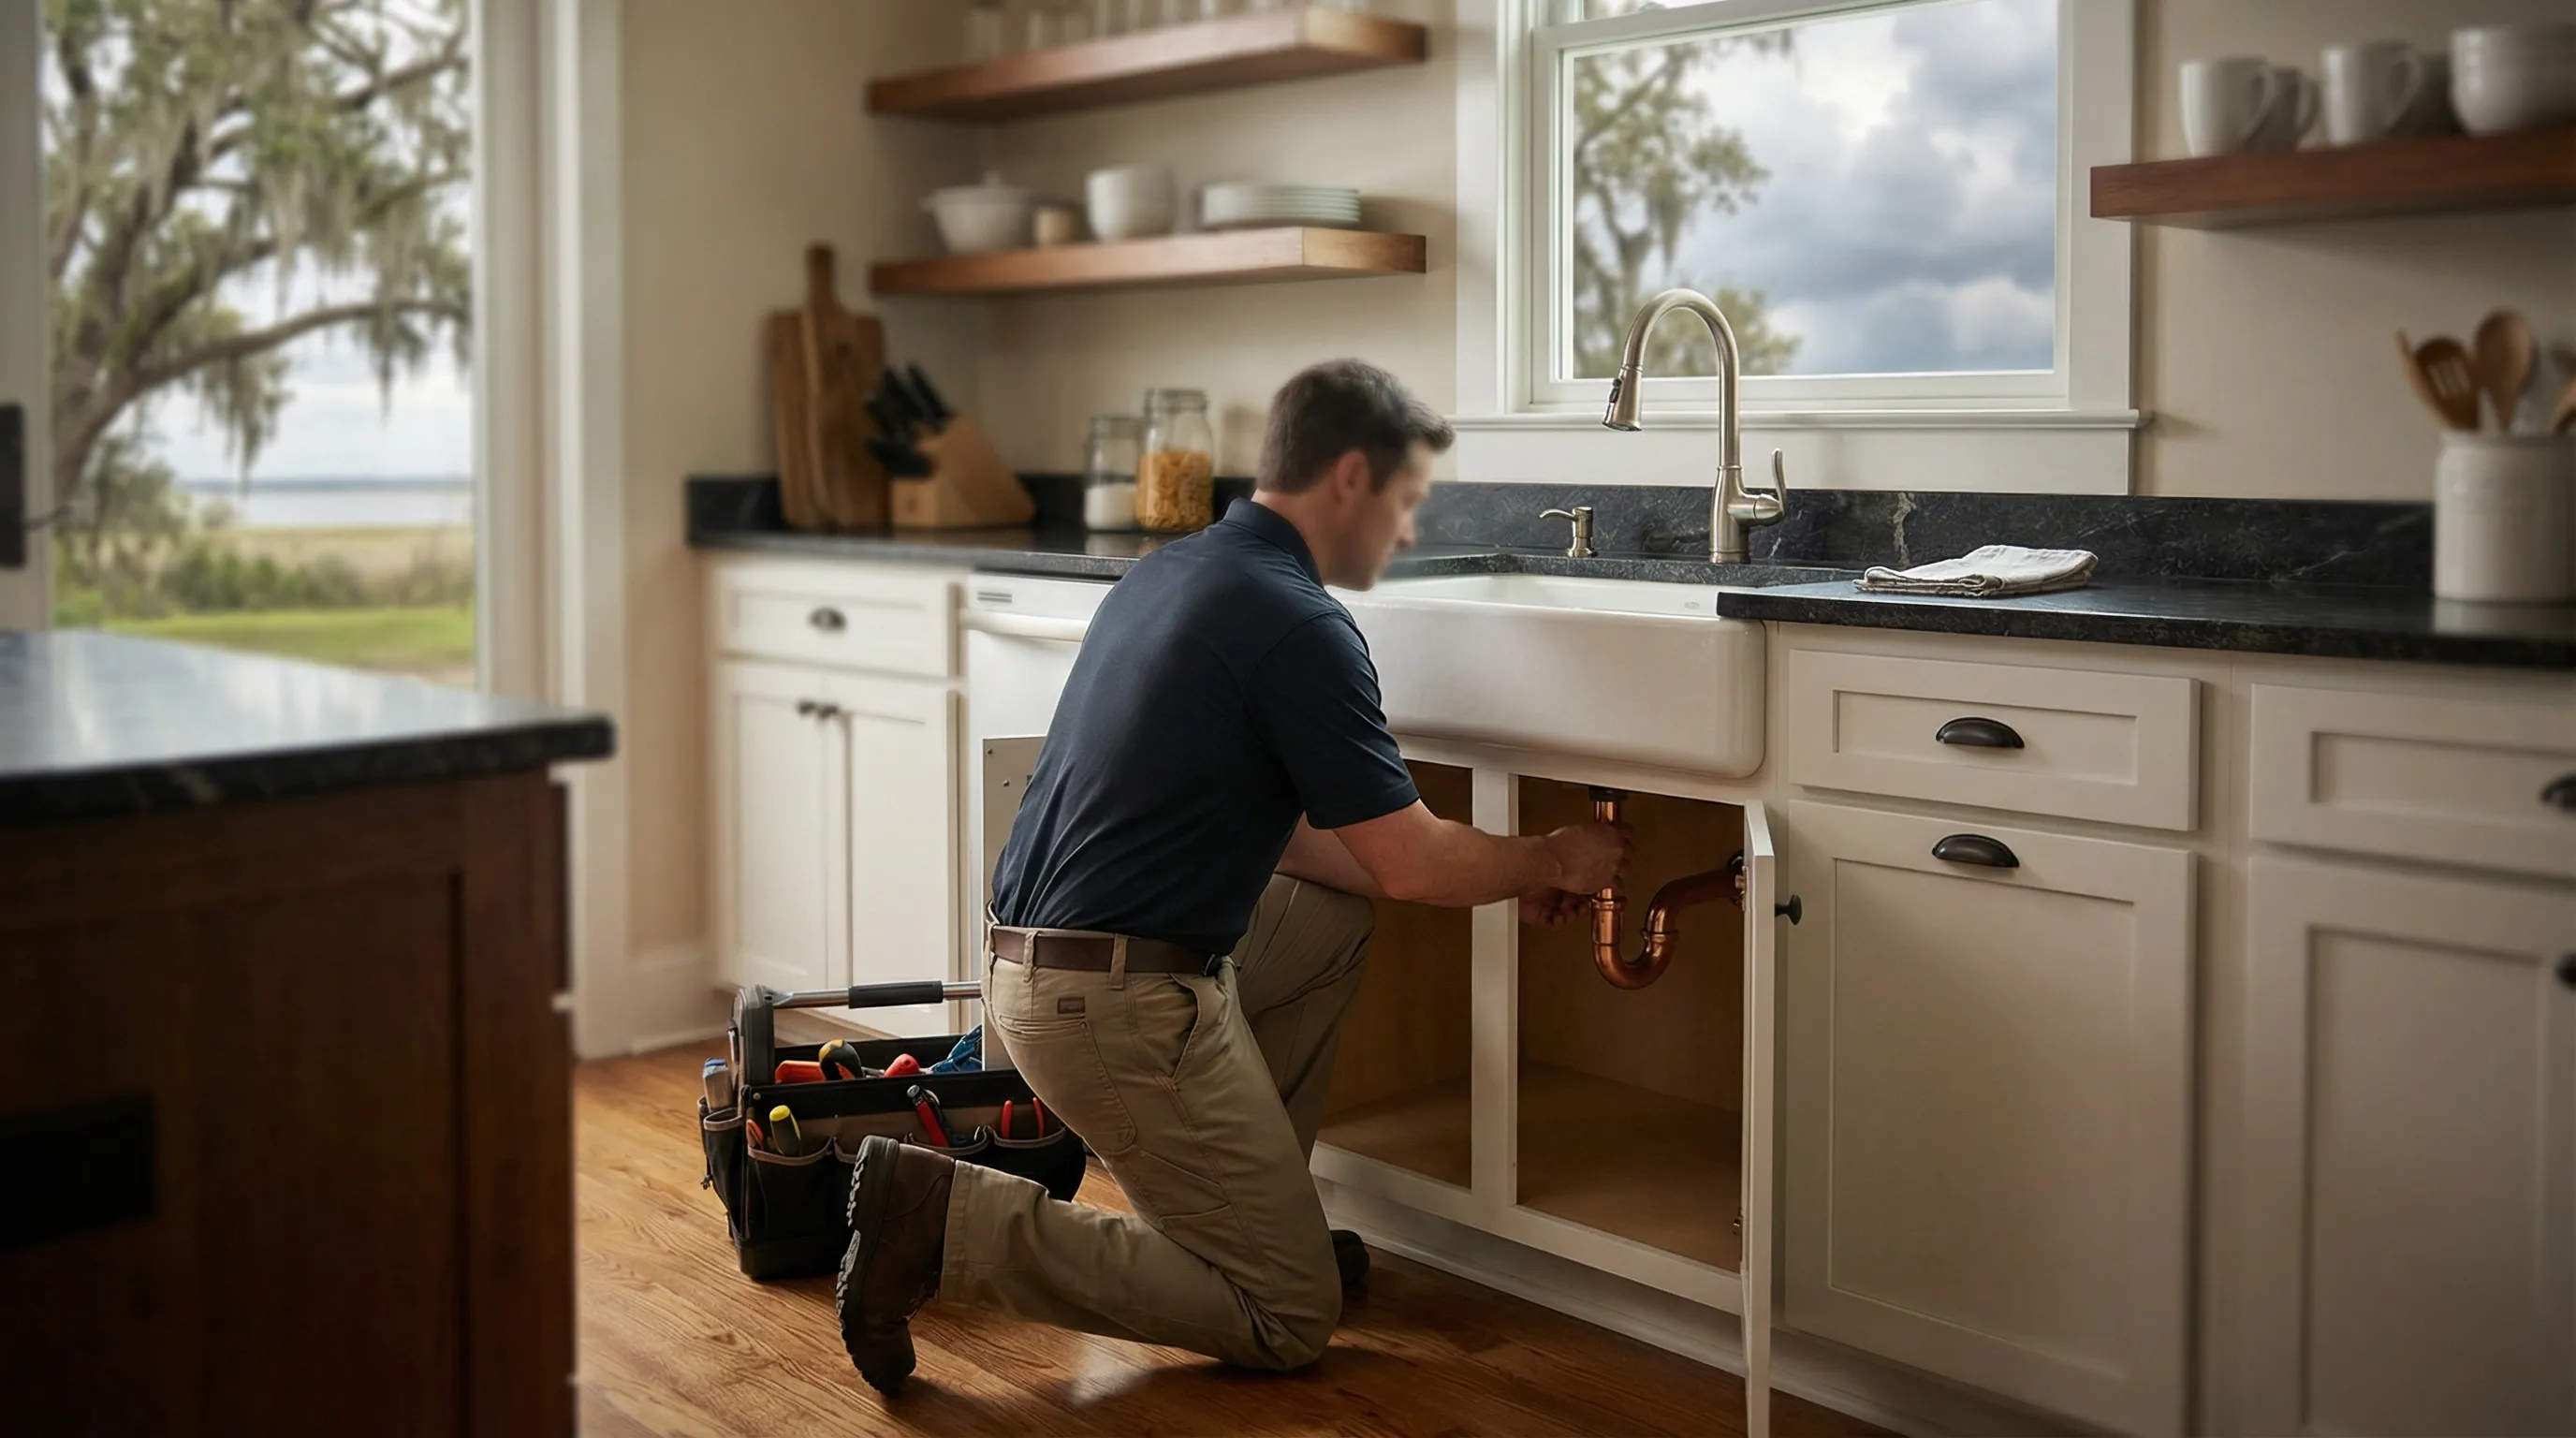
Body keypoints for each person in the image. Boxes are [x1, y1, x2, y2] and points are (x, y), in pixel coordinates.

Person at [836, 360, 1631, 1395]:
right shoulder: (1300, 625)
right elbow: (1414, 860)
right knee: (1290, 1317)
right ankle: (940, 1221)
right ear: (1350, 477)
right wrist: (1552, 857)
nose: (1405, 533)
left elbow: (1304, 847)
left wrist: (1497, 876)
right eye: (1404, 501)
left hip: (1037, 970)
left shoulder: (1173, 572)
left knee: (1329, 923)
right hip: (1104, 1003)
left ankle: (1260, 1223)